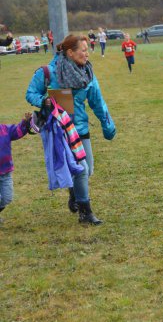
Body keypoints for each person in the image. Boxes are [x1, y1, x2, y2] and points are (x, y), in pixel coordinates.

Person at [26, 34, 116, 225]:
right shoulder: (48, 73)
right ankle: (85, 213)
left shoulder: (88, 73)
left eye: (87, 50)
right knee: (82, 169)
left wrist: (107, 125)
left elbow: (97, 102)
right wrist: (44, 100)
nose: (87, 54)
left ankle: (74, 193)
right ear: (70, 52)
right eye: (83, 50)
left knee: (88, 169)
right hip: (60, 130)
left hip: (80, 128)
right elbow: (30, 93)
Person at [0, 112, 32, 223]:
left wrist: (26, 123)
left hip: (6, 172)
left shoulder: (5, 130)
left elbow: (18, 131)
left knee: (7, 198)